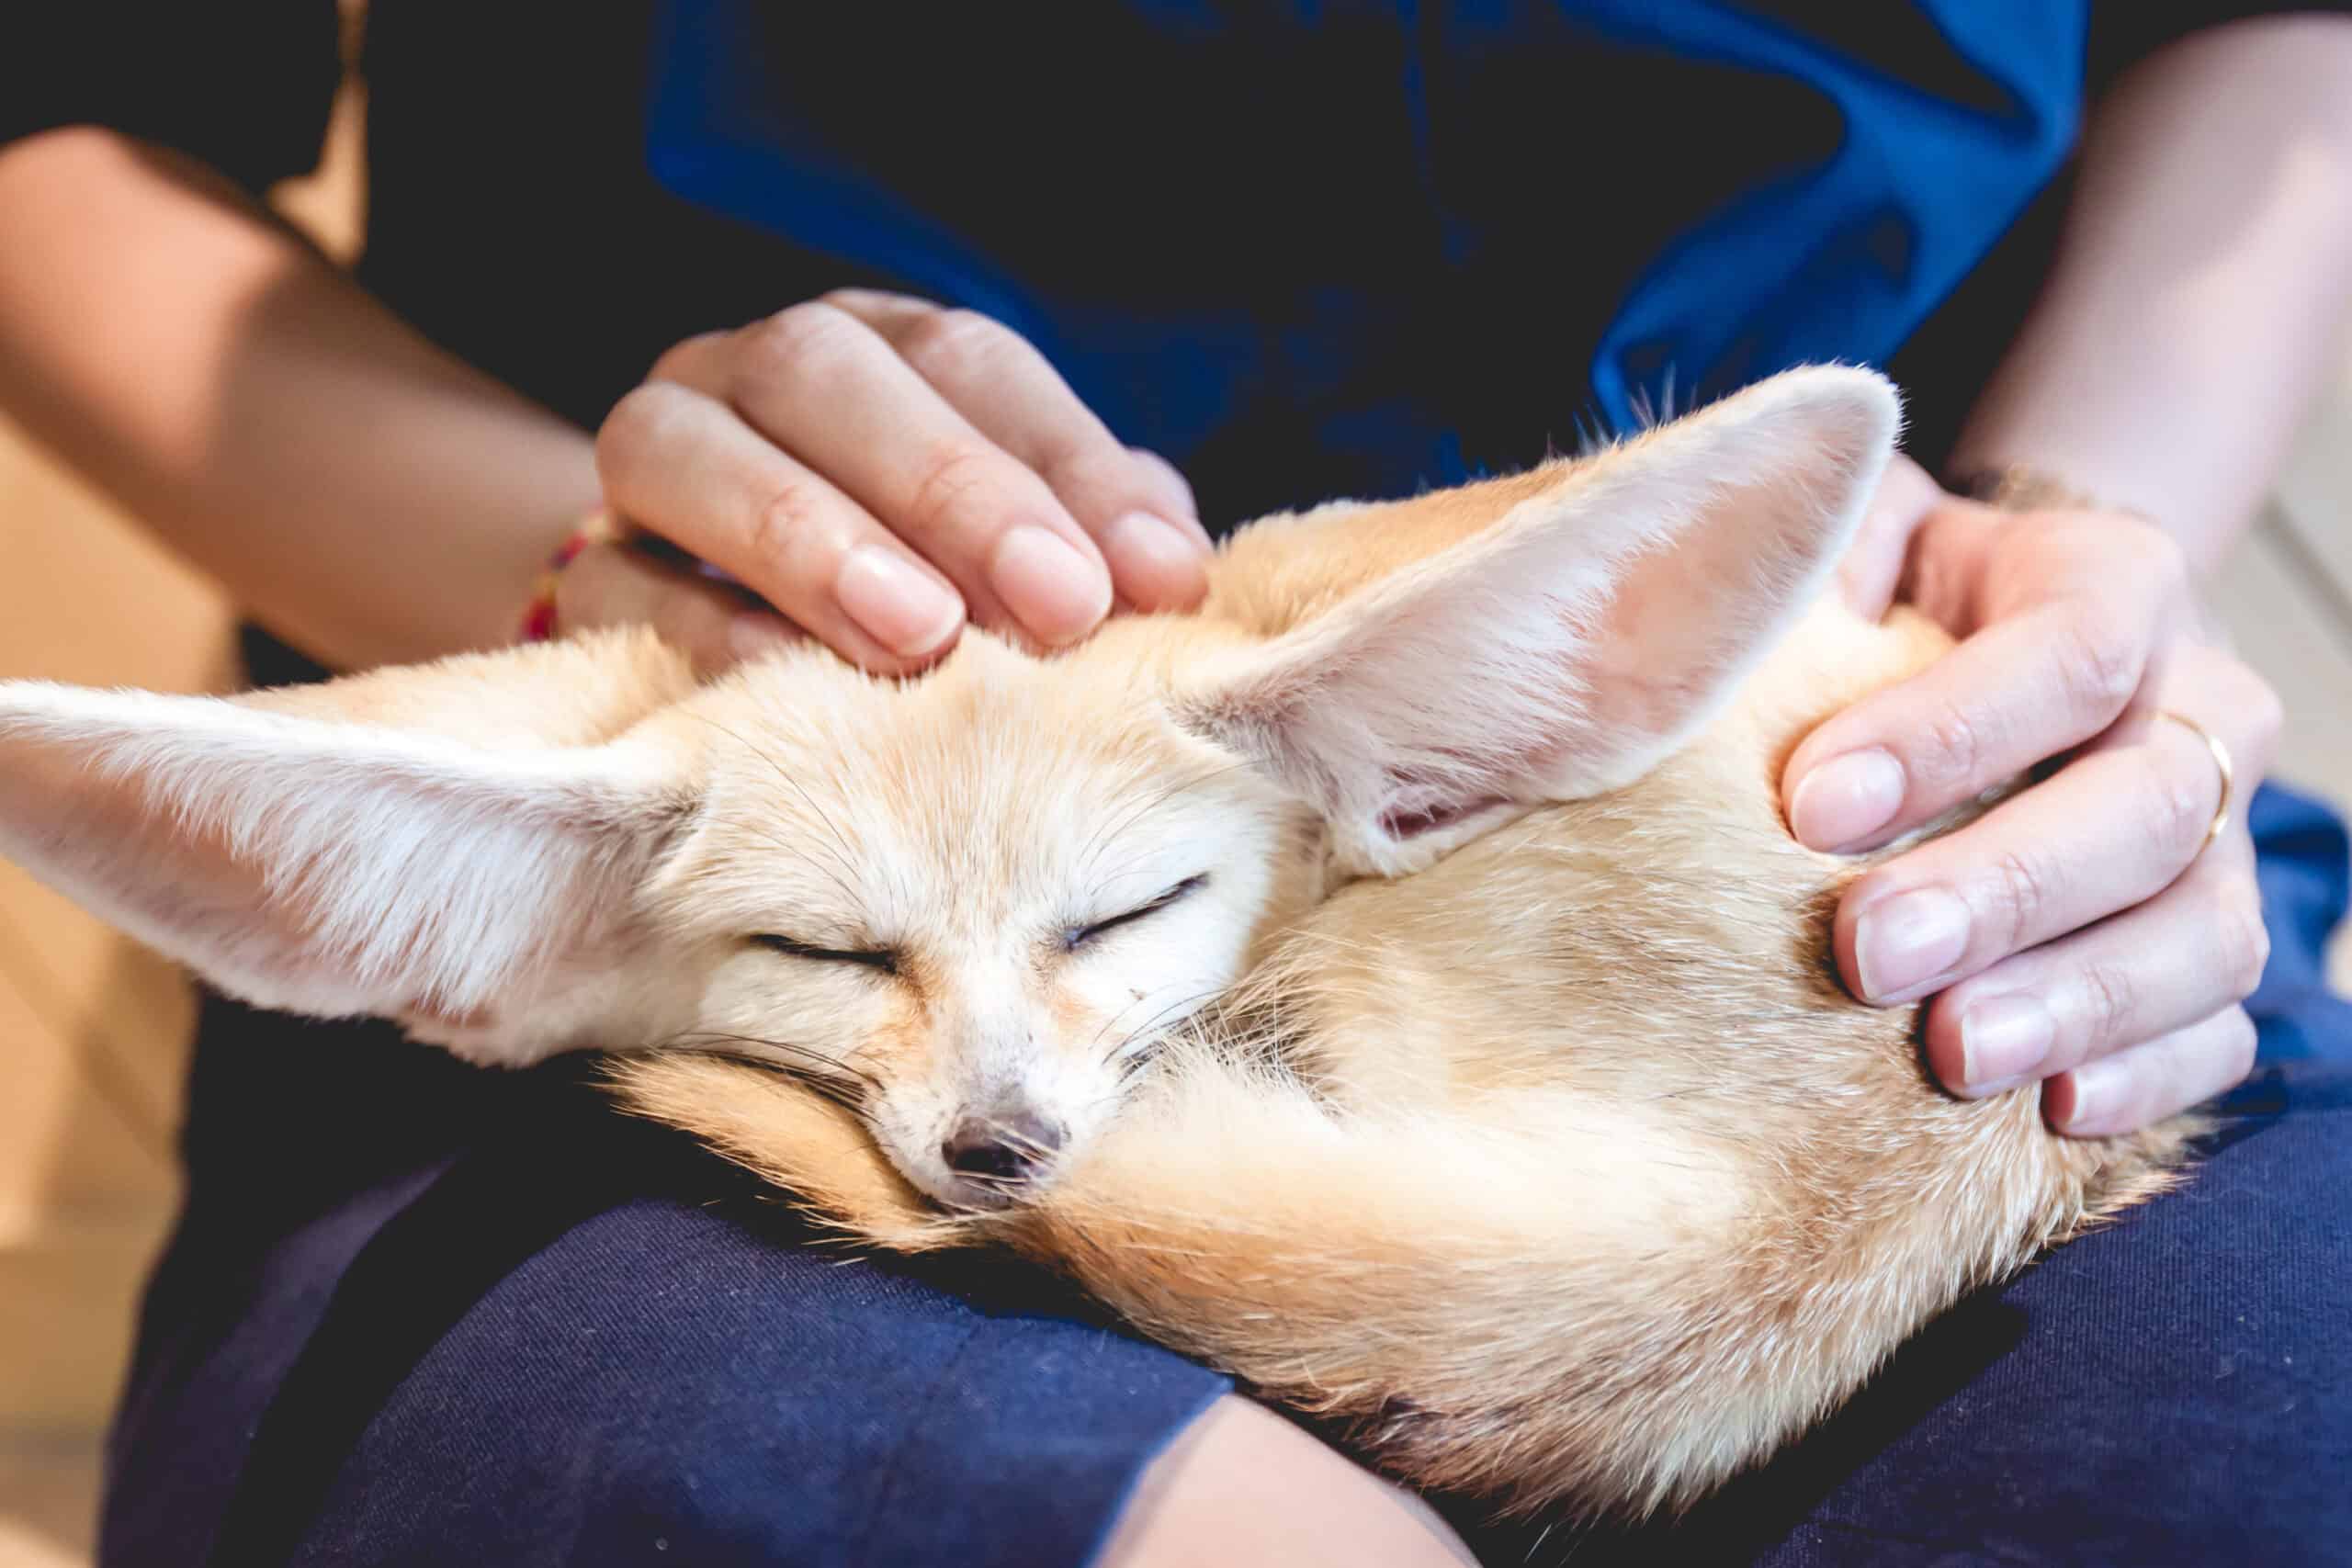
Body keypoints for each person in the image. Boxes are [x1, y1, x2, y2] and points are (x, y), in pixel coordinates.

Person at [2, 5, 2347, 1563]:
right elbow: (62, 110)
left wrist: (2042, 546)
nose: (1004, 1118)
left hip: (1829, 775)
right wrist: (623, 594)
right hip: (668, 725)